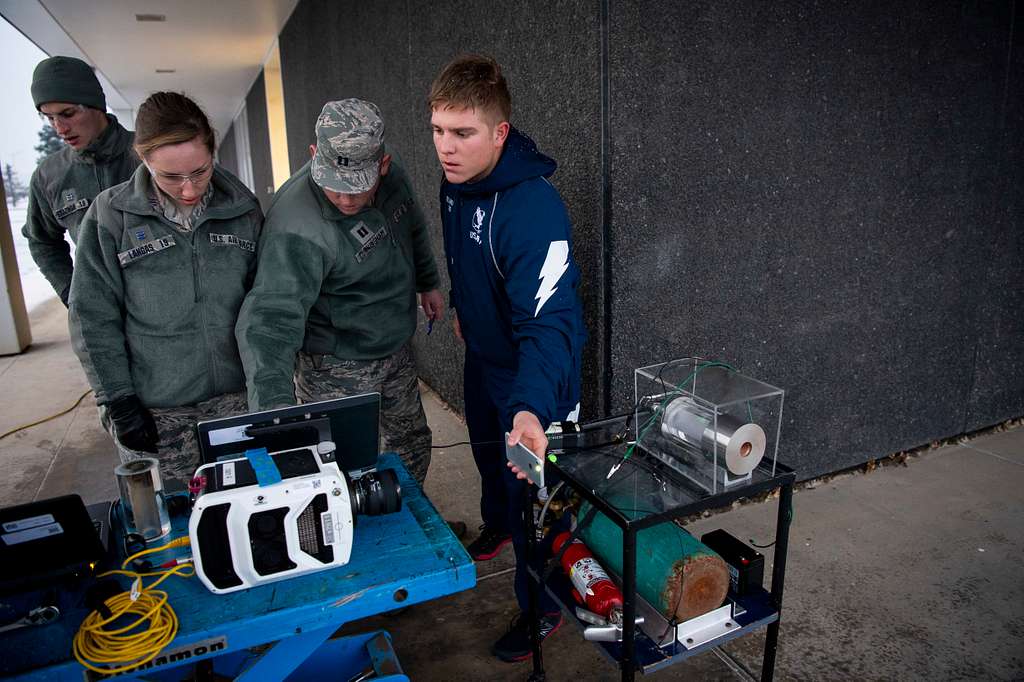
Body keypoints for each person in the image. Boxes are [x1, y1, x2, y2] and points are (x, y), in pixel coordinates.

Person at [428, 54, 586, 661]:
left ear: (499, 133)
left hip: (537, 377)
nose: (446, 147)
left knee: (539, 504)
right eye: (438, 130)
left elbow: (551, 323)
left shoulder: (534, 210)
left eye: (462, 133)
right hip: (485, 356)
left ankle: (545, 606)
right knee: (490, 464)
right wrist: (469, 306)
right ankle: (496, 522)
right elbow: (464, 250)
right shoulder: (456, 178)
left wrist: (531, 409)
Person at [235, 99, 443, 487]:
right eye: (334, 186)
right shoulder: (295, 224)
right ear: (314, 154)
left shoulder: (395, 179)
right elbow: (269, 322)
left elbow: (412, 228)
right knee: (341, 465)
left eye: (357, 188)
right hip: (335, 362)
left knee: (411, 443)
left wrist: (427, 282)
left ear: (383, 165)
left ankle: (416, 524)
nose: (346, 199)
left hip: (395, 344)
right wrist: (275, 415)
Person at [69, 92, 262, 486]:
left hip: (236, 401)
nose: (189, 190)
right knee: (173, 528)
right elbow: (92, 316)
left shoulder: (243, 208)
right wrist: (118, 400)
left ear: (213, 149)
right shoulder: (111, 216)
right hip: (156, 410)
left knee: (248, 517)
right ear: (143, 158)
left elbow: (266, 301)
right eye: (171, 177)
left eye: (201, 171)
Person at [22, 56, 140, 306]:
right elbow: (42, 241)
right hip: (102, 315)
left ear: (96, 105)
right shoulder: (48, 176)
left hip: (168, 310)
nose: (59, 128)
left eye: (68, 113)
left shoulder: (149, 155)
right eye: (49, 117)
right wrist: (71, 293)